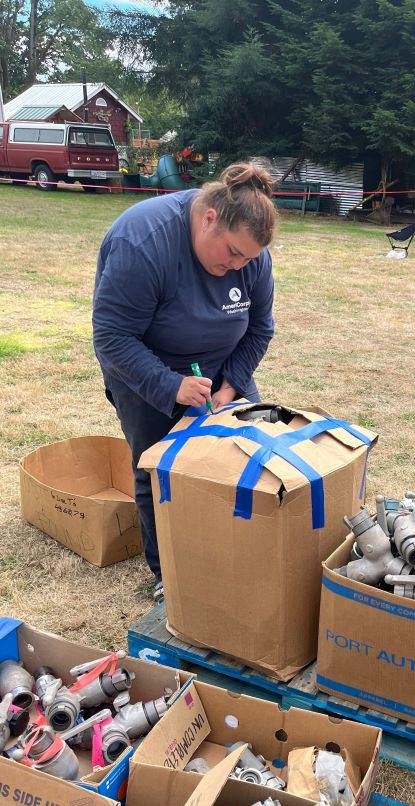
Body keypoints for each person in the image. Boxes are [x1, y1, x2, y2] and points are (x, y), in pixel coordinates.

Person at [93, 162, 277, 600]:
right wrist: (170, 386)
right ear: (209, 218)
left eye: (248, 260)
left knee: (243, 457)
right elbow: (112, 336)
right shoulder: (142, 241)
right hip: (145, 368)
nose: (238, 268)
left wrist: (231, 384)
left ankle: (234, 553)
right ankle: (170, 575)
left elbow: (260, 328)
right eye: (232, 253)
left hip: (220, 372)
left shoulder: (252, 259)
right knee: (160, 469)